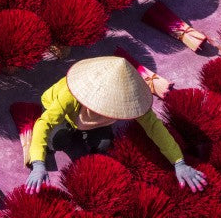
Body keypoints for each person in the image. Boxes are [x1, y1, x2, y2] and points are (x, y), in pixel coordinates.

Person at [23, 55, 208, 194]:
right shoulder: (70, 94)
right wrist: (38, 164)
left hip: (94, 124)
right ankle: (65, 138)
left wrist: (179, 162)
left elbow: (154, 127)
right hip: (66, 118)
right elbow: (44, 124)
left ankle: (83, 138)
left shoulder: (131, 101)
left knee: (104, 145)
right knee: (58, 139)